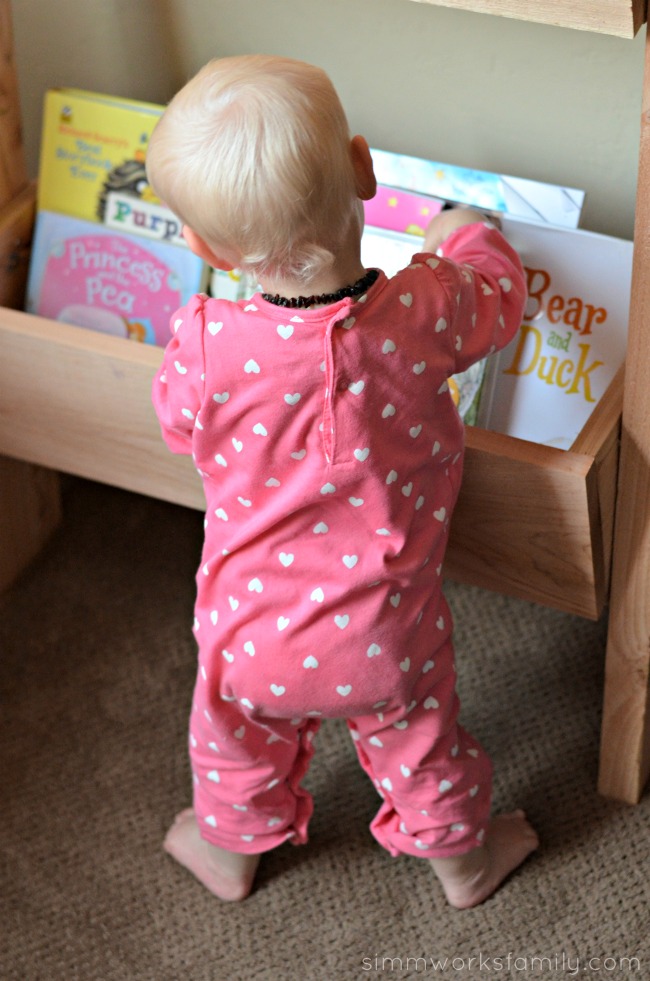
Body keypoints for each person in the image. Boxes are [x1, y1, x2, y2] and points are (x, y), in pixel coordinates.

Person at [147, 53, 538, 909]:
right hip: (384, 633)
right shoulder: (427, 306)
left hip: (247, 629)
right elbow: (500, 294)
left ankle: (227, 854)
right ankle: (464, 866)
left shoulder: (206, 341)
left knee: (233, 741)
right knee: (421, 740)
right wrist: (465, 230)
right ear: (363, 168)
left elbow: (178, 423)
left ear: (207, 248)